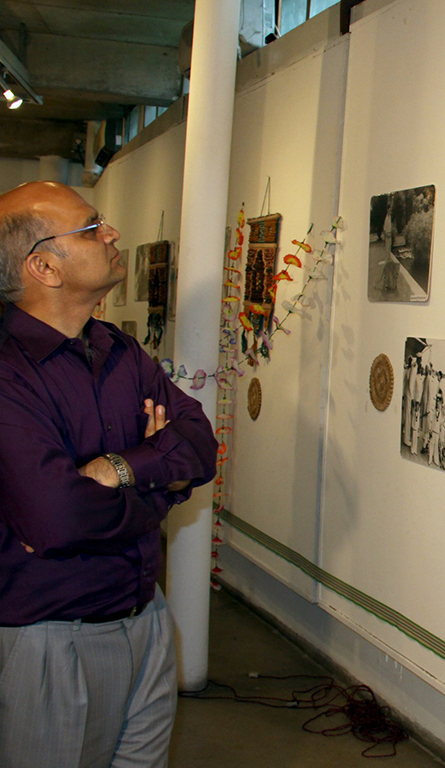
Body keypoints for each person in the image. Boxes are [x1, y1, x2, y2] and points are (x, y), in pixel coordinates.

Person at [0, 181, 218, 766]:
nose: (113, 233)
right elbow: (58, 517)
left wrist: (118, 468)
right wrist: (163, 485)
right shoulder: (8, 373)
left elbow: (199, 442)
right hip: (51, 638)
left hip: (146, 619)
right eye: (92, 228)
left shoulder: (117, 348)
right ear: (44, 266)